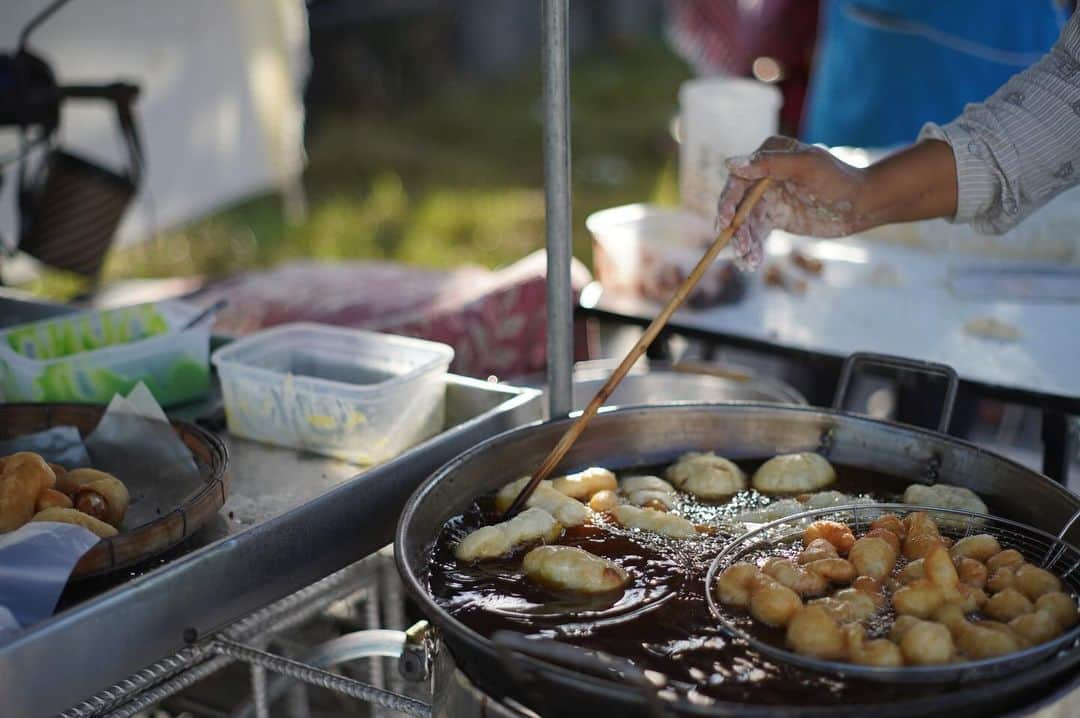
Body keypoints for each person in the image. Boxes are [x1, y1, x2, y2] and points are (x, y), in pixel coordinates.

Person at [716, 9, 1080, 270]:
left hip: (999, 63)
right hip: (861, 79)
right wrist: (859, 194)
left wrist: (863, 194)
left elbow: (1068, 100)